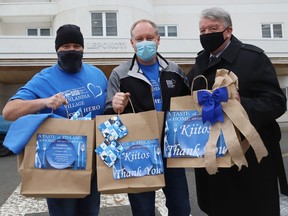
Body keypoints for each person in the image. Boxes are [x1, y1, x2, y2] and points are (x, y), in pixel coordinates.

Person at [187, 7, 288, 216]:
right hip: (215, 157)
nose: (206, 35)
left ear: (228, 31)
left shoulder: (253, 58)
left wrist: (241, 104)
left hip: (250, 160)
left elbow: (277, 102)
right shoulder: (199, 64)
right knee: (218, 207)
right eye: (202, 31)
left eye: (212, 29)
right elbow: (186, 102)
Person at [3, 24, 107, 216]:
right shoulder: (43, 79)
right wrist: (45, 102)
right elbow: (9, 111)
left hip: (92, 163)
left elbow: (106, 111)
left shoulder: (98, 75)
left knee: (91, 212)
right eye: (65, 46)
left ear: (83, 48)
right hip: (59, 163)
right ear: (57, 49)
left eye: (76, 45)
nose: (72, 50)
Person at [104, 19, 191, 216]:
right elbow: (108, 115)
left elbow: (189, 105)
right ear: (132, 43)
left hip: (172, 151)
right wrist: (116, 106)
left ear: (158, 40)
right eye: (139, 39)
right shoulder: (120, 74)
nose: (145, 42)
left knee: (181, 207)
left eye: (149, 38)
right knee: (143, 210)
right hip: (138, 152)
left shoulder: (174, 70)